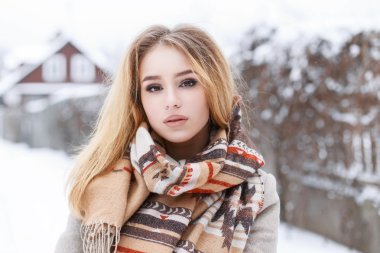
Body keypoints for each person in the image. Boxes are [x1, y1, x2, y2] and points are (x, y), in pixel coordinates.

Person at [55, 24, 280, 253]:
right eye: (154, 88)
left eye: (188, 83)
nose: (171, 100)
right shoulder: (104, 178)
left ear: (214, 87)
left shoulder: (255, 192)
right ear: (138, 99)